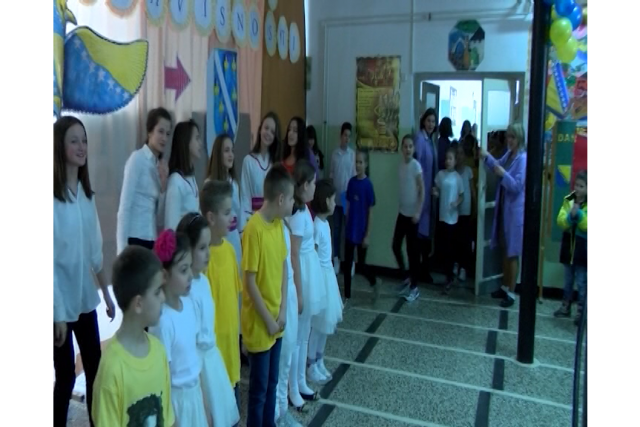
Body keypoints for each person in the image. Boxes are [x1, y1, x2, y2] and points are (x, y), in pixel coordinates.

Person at [53, 117, 116, 427]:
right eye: (74, 140)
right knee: (65, 376)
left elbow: (95, 253)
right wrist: (57, 315)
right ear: (59, 146)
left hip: (83, 301)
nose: (82, 147)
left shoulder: (87, 195)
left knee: (95, 369)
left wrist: (107, 296)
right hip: (58, 306)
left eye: (85, 140)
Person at [92, 246, 175, 427]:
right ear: (138, 303)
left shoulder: (159, 351)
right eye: (157, 291)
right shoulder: (112, 370)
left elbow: (168, 419)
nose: (163, 297)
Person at [242, 165, 294, 426]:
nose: (294, 203)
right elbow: (250, 282)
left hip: (277, 321)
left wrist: (282, 311)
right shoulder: (254, 229)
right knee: (259, 391)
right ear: (281, 199)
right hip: (261, 324)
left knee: (272, 384)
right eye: (292, 198)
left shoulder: (278, 225)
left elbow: (284, 267)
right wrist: (268, 321)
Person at [178, 213, 240, 426]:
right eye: (202, 248)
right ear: (188, 250)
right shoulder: (186, 293)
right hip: (200, 368)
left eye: (208, 246)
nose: (208, 253)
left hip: (214, 361)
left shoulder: (203, 281)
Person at [150, 231, 208, 427]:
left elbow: (195, 359)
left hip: (195, 397)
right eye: (183, 270)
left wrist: (205, 405)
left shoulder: (189, 304)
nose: (191, 275)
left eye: (190, 267)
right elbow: (162, 379)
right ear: (165, 275)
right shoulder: (162, 322)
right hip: (177, 405)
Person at [201, 181, 243, 405]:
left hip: (231, 352)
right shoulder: (203, 261)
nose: (232, 217)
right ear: (211, 217)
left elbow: (234, 299)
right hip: (214, 357)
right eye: (226, 213)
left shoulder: (229, 250)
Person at [289, 161, 325, 406]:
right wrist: (299, 292)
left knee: (304, 334)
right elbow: (294, 253)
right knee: (297, 337)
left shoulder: (305, 211)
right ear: (303, 186)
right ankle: (292, 387)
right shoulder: (297, 214)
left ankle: (301, 381)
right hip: (302, 275)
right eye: (312, 183)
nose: (315, 187)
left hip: (309, 272)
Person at [480, 123, 527, 308]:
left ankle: (511, 293)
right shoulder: (509, 155)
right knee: (505, 250)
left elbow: (516, 186)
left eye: (512, 137)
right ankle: (505, 286)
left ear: (519, 138)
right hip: (505, 209)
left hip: (515, 212)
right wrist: (486, 156)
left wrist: (503, 174)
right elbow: (497, 166)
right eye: (508, 137)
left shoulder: (522, 159)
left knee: (512, 252)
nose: (509, 140)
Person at [117, 108, 172, 252]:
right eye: (160, 131)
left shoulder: (159, 165)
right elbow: (124, 207)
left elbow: (159, 217)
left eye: (167, 134)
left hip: (151, 239)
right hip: (134, 238)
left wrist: (163, 187)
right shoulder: (137, 159)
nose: (164, 138)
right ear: (149, 132)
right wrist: (121, 250)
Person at [309, 179, 343, 382]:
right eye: (333, 199)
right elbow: (313, 254)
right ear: (325, 200)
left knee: (326, 325)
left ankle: (319, 359)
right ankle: (311, 364)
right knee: (317, 325)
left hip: (328, 275)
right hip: (320, 277)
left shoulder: (325, 224)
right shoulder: (316, 226)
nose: (335, 203)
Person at [275, 218, 302, 426]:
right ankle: (276, 414)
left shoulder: (283, 226)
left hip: (289, 295)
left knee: (287, 358)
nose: (293, 204)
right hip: (279, 298)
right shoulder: (269, 229)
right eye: (290, 201)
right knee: (280, 361)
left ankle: (282, 411)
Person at [344, 151, 380, 306]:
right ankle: (347, 297)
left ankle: (374, 282)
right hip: (350, 231)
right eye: (356, 162)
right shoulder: (351, 183)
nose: (358, 165)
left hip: (361, 231)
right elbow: (348, 204)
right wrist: (347, 222)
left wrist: (367, 235)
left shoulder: (368, 185)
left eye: (361, 162)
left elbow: (370, 212)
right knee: (347, 265)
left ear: (366, 164)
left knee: (361, 265)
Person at [554, 170, 589, 326]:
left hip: (583, 248)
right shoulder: (568, 199)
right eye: (576, 185)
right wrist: (570, 217)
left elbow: (586, 225)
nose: (577, 188)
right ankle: (565, 306)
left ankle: (581, 312)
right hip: (569, 244)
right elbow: (560, 221)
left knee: (581, 281)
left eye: (581, 186)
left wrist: (579, 215)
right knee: (568, 279)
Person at [394, 135, 425, 298]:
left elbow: (422, 190)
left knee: (412, 252)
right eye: (405, 146)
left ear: (414, 149)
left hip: (413, 215)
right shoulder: (400, 166)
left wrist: (418, 211)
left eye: (410, 146)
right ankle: (406, 278)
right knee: (395, 245)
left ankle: (414, 287)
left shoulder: (416, 166)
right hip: (402, 213)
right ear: (402, 149)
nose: (408, 149)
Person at [241, 112, 282, 230]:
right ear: (260, 130)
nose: (268, 133)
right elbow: (245, 195)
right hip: (254, 219)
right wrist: (245, 226)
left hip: (272, 219)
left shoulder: (275, 163)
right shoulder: (248, 161)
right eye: (266, 128)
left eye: (272, 132)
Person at [207, 133, 243, 269]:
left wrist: (242, 236)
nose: (231, 155)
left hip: (234, 238)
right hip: (217, 239)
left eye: (232, 151)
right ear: (218, 154)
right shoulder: (209, 183)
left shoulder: (235, 183)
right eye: (226, 151)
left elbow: (239, 213)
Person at [433, 147, 465, 295]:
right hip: (442, 216)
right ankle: (446, 274)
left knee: (450, 248)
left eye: (450, 159)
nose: (448, 161)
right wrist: (435, 193)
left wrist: (456, 203)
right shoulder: (440, 175)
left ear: (455, 161)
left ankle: (449, 276)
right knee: (443, 247)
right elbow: (436, 189)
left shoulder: (457, 178)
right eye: (446, 159)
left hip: (452, 218)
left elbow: (461, 195)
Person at [165, 120, 203, 230]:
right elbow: (171, 226)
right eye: (197, 138)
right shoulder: (175, 181)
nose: (200, 143)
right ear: (186, 142)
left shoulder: (191, 178)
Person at [414, 109, 438, 284]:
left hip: (430, 194)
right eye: (428, 120)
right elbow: (417, 166)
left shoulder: (430, 140)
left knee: (426, 234)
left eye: (433, 121)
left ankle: (424, 269)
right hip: (421, 193)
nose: (431, 124)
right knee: (419, 234)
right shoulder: (419, 139)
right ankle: (419, 271)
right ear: (423, 121)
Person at [330, 122, 356, 274]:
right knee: (336, 230)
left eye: (349, 136)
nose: (347, 138)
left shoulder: (352, 155)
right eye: (345, 135)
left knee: (348, 231)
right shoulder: (335, 154)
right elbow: (332, 174)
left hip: (348, 198)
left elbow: (354, 176)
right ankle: (336, 260)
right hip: (336, 199)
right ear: (341, 136)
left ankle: (350, 261)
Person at [455, 144, 476, 282]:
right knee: (455, 239)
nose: (459, 156)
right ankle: (456, 263)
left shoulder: (468, 171)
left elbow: (472, 190)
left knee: (465, 240)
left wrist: (475, 207)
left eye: (461, 153)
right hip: (454, 211)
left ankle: (463, 267)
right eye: (457, 153)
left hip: (465, 210)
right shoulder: (452, 171)